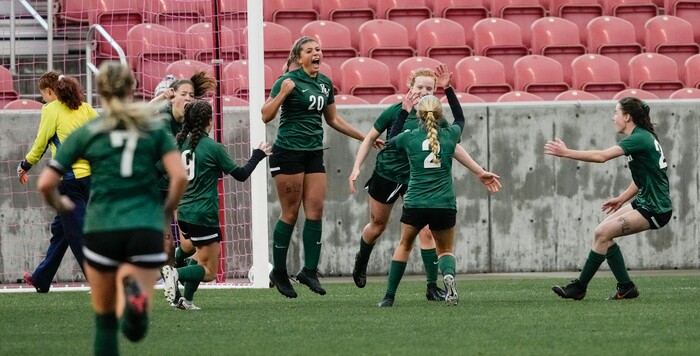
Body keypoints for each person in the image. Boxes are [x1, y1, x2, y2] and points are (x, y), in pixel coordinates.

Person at [37, 61, 188, 354]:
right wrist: (166, 211)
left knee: (105, 321)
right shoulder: (152, 130)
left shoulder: (89, 130)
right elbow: (179, 175)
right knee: (135, 329)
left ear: (101, 93)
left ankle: (129, 307)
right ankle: (136, 308)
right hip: (145, 225)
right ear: (132, 89)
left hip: (101, 227)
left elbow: (45, 183)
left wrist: (61, 203)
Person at [349, 65, 501, 303]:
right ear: (410, 87)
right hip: (387, 174)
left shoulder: (435, 117)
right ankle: (362, 259)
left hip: (417, 180)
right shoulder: (394, 111)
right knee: (377, 226)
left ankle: (432, 286)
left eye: (429, 88)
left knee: (426, 233)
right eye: (419, 87)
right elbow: (371, 138)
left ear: (434, 92)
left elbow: (453, 146)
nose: (423, 91)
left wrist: (479, 170)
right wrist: (357, 166)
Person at [261, 36, 372, 298]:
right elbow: (265, 115)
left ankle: (308, 270)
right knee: (290, 213)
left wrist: (365, 137)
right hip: (288, 152)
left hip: (312, 153)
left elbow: (333, 119)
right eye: (309, 50)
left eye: (318, 49)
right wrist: (283, 94)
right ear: (299, 58)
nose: (316, 53)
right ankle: (278, 271)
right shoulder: (287, 81)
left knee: (316, 209)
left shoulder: (324, 83)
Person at [545, 97, 672, 301]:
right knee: (602, 234)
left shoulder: (639, 138)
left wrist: (566, 153)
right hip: (645, 201)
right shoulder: (642, 137)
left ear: (627, 116)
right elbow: (645, 178)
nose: (613, 118)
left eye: (616, 113)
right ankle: (626, 287)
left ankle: (579, 288)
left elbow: (602, 156)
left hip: (656, 208)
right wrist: (621, 199)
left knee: (602, 233)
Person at [161, 100, 271, 310]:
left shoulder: (178, 144)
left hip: (183, 212)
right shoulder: (212, 147)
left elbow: (162, 169)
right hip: (203, 214)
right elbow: (240, 175)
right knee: (209, 271)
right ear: (209, 122)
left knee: (199, 255)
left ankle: (187, 300)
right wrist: (258, 155)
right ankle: (174, 273)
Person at [374, 87, 469, 307]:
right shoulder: (451, 135)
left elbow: (390, 140)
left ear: (419, 115)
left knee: (404, 245)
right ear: (440, 114)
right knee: (445, 250)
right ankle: (448, 280)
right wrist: (448, 89)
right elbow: (461, 118)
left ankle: (389, 296)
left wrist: (404, 111)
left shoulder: (409, 138)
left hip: (416, 201)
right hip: (444, 203)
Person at [18, 71, 97, 292]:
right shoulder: (85, 106)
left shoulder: (50, 109)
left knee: (77, 234)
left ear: (51, 91)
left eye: (43, 94)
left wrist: (25, 165)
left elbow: (41, 143)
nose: (43, 99)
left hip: (68, 181)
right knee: (61, 231)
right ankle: (42, 277)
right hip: (88, 179)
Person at [150, 71, 216, 304]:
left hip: (179, 188)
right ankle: (175, 293)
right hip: (156, 188)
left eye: (192, 94)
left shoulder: (192, 122)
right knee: (167, 244)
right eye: (183, 94)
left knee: (187, 246)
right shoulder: (163, 117)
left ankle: (173, 273)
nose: (188, 97)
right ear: (172, 96)